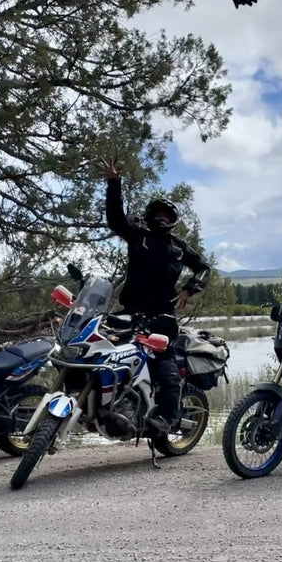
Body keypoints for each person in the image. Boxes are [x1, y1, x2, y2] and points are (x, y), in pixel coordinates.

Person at [102, 158, 211, 436]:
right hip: (130, 311)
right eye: (158, 214)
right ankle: (113, 406)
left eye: (167, 215)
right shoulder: (138, 236)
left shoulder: (178, 247)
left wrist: (190, 289)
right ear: (151, 216)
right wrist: (114, 184)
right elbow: (115, 219)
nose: (162, 218)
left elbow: (204, 269)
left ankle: (167, 416)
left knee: (165, 363)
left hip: (162, 316)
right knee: (104, 351)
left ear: (173, 220)